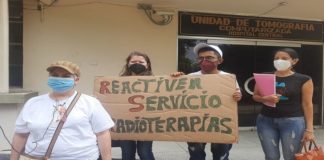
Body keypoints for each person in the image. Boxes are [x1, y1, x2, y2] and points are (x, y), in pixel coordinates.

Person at [10, 60, 115, 160]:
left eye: (66, 76)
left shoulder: (90, 103)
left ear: (76, 80)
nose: (59, 79)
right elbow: (20, 134)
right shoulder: (33, 103)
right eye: (55, 75)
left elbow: (102, 133)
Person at [171, 43, 242, 160]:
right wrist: (175, 79)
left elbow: (236, 97)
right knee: (196, 156)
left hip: (220, 125)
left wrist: (237, 96)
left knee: (221, 156)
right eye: (200, 58)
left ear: (220, 60)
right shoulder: (190, 78)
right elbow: (177, 97)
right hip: (195, 125)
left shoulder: (228, 78)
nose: (204, 60)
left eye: (209, 57)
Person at [252, 48, 315, 160]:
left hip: (293, 122)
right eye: (276, 58)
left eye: (284, 58)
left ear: (294, 61)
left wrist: (309, 130)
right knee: (271, 157)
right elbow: (255, 96)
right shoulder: (264, 77)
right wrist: (265, 98)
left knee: (291, 157)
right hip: (266, 121)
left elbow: (307, 105)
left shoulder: (304, 79)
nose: (279, 61)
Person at [119, 51, 155, 160]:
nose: (137, 63)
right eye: (133, 61)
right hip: (125, 123)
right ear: (128, 64)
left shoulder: (156, 82)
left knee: (144, 152)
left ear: (147, 64)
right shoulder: (118, 82)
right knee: (127, 153)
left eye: (141, 61)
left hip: (146, 123)